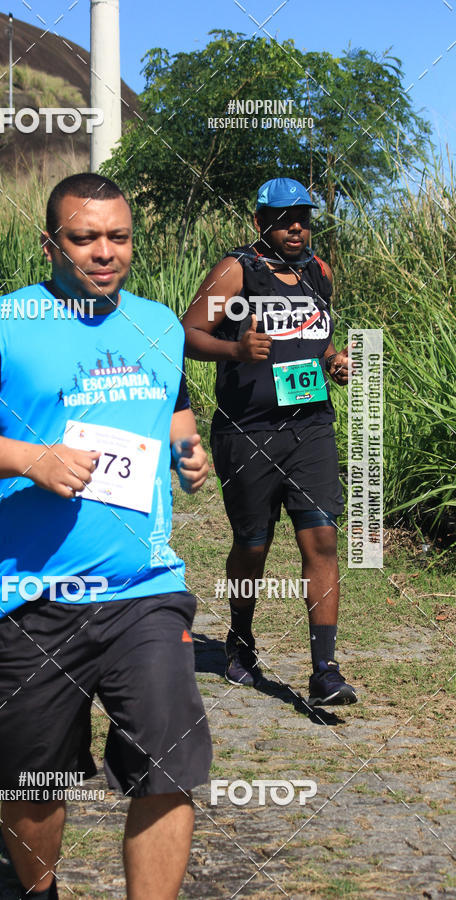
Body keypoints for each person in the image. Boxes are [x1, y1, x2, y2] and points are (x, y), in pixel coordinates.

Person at [0, 173, 212, 899]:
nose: (104, 253)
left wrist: (187, 448)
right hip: (31, 594)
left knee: (169, 765)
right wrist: (29, 459)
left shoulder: (159, 323)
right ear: (51, 243)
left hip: (146, 588)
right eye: (84, 238)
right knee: (33, 778)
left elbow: (170, 400)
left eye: (118, 237)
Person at [182, 176, 357, 706]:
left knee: (322, 539)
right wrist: (236, 351)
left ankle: (325, 669)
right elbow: (185, 333)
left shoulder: (319, 271)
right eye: (284, 220)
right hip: (247, 431)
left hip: (310, 427)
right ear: (261, 223)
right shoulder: (238, 270)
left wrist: (334, 362)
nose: (297, 227)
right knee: (252, 546)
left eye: (303, 217)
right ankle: (239, 635)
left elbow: (319, 336)